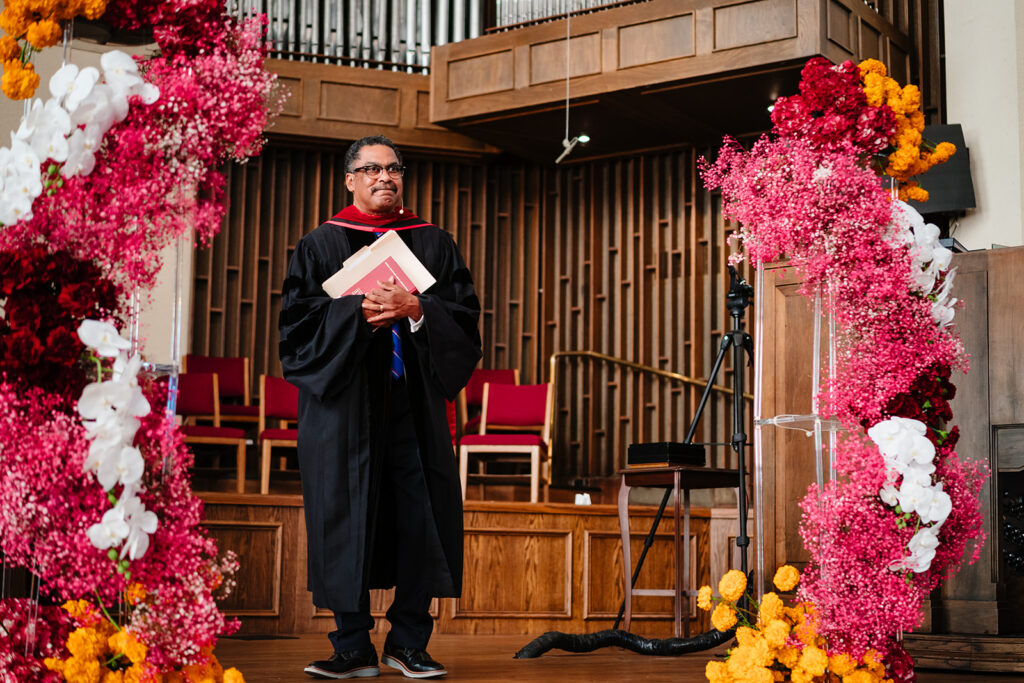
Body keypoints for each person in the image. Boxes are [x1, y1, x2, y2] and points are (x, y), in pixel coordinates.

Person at [279, 135, 481, 679]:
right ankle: (351, 645)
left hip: (414, 406)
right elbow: (294, 333)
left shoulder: (434, 244)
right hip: (344, 409)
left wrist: (418, 310)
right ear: (350, 179)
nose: (384, 177)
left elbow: (464, 321)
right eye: (371, 169)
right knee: (344, 518)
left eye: (393, 168)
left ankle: (409, 642)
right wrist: (356, 312)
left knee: (421, 520)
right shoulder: (320, 244)